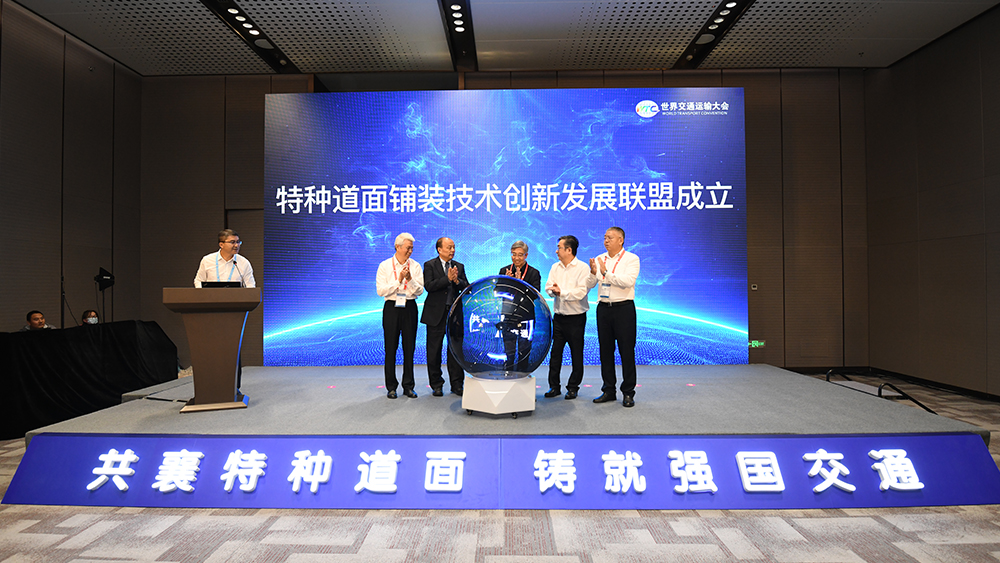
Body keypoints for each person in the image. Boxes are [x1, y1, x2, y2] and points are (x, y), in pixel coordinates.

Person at [589, 227, 640, 408]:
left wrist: (605, 273)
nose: (606, 241)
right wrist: (592, 272)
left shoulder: (631, 259)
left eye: (610, 238)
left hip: (623, 309)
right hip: (603, 309)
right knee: (605, 351)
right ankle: (608, 390)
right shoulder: (599, 258)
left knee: (626, 352)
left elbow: (627, 282)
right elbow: (591, 284)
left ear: (621, 240)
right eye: (605, 238)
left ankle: (628, 392)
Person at [544, 235, 597, 400]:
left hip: (576, 318)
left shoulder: (582, 268)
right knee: (555, 354)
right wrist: (553, 291)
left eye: (559, 247)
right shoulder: (555, 267)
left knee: (576, 354)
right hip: (558, 317)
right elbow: (548, 287)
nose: (556, 251)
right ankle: (554, 387)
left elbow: (581, 293)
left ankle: (573, 387)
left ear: (569, 250)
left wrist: (562, 292)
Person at [376, 232, 424, 399]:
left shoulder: (415, 266)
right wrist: (399, 281)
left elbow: (420, 290)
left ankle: (408, 386)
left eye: (412, 248)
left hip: (409, 306)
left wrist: (409, 279)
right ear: (398, 247)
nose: (410, 251)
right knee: (390, 348)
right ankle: (391, 387)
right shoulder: (385, 266)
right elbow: (381, 291)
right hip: (392, 307)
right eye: (408, 248)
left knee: (409, 348)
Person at [421, 237, 469, 397]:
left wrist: (456, 281)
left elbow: (466, 287)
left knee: (455, 350)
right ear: (439, 249)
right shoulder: (430, 265)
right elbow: (429, 286)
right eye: (449, 247)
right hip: (435, 314)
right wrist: (446, 279)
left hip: (454, 315)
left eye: (454, 247)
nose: (452, 250)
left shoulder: (459, 266)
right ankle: (436, 384)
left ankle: (457, 384)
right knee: (434, 351)